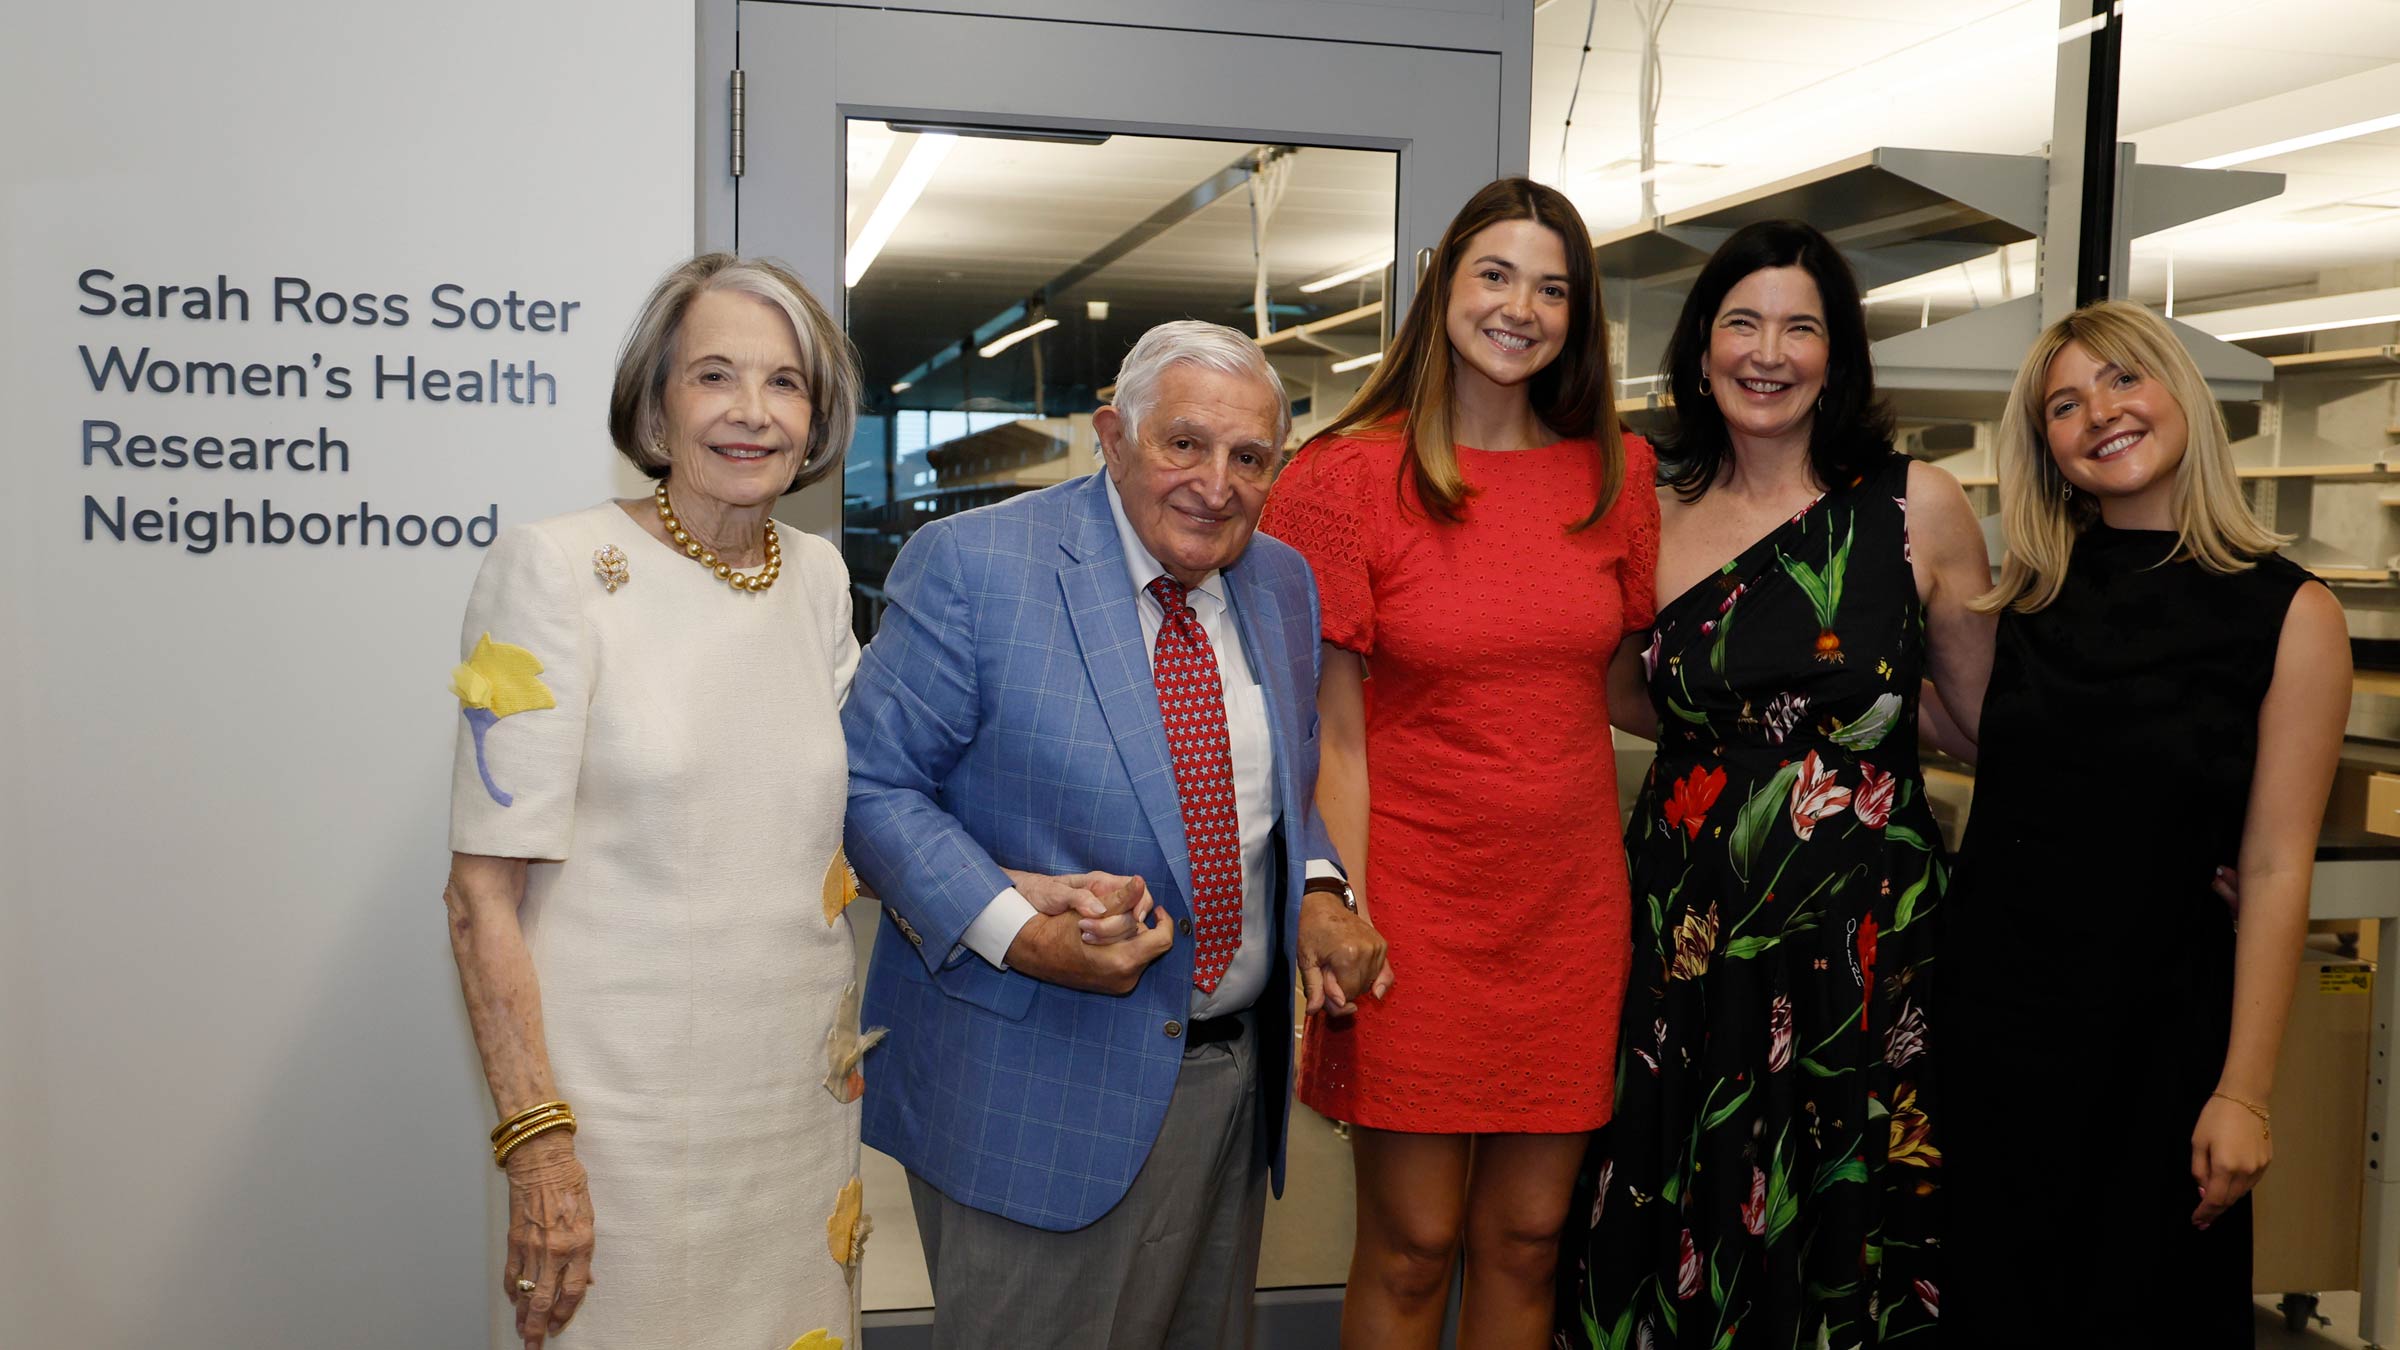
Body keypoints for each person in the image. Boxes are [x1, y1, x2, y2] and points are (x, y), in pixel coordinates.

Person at [842, 319, 1391, 1349]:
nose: (1215, 484)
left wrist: (1321, 888)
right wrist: (1019, 931)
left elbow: (1281, 785)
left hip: (1229, 1089)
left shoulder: (1281, 581)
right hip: (1032, 1088)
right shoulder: (974, 567)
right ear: (1112, 434)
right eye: (1183, 443)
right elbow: (870, 788)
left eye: (1249, 458)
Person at [1558, 219, 1995, 1349]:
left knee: (1844, 1200)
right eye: (1742, 321)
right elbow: (1624, 689)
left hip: (1863, 931)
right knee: (1677, 1181)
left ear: (1837, 356)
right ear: (1701, 346)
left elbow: (1983, 723)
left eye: (1801, 326)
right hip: (1692, 922)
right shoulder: (1646, 501)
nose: (1769, 350)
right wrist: (1747, 755)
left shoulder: (1915, 507)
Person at [1258, 176, 1658, 1349]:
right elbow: (1327, 733)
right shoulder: (1342, 480)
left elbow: (1625, 686)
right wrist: (1337, 905)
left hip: (1569, 914)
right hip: (1415, 911)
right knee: (1416, 1241)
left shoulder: (1616, 477)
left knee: (1532, 1240)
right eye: (1496, 274)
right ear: (1441, 289)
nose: (1522, 307)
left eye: (1554, 287)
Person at [441, 253, 867, 1349]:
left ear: (816, 419)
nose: (750, 412)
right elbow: (479, 898)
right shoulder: (554, 569)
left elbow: (863, 800)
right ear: (655, 401)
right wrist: (538, 1147)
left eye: (784, 384)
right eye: (713, 375)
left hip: (790, 1118)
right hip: (614, 1129)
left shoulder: (816, 575)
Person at [1938, 299, 2350, 1347]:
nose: (2099, 415)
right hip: (1994, 1038)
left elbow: (2271, 867)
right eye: (2064, 406)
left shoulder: (2289, 613)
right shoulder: (2027, 597)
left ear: (2179, 393)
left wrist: (2246, 1095)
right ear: (2049, 451)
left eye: (2122, 380)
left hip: (2161, 1046)